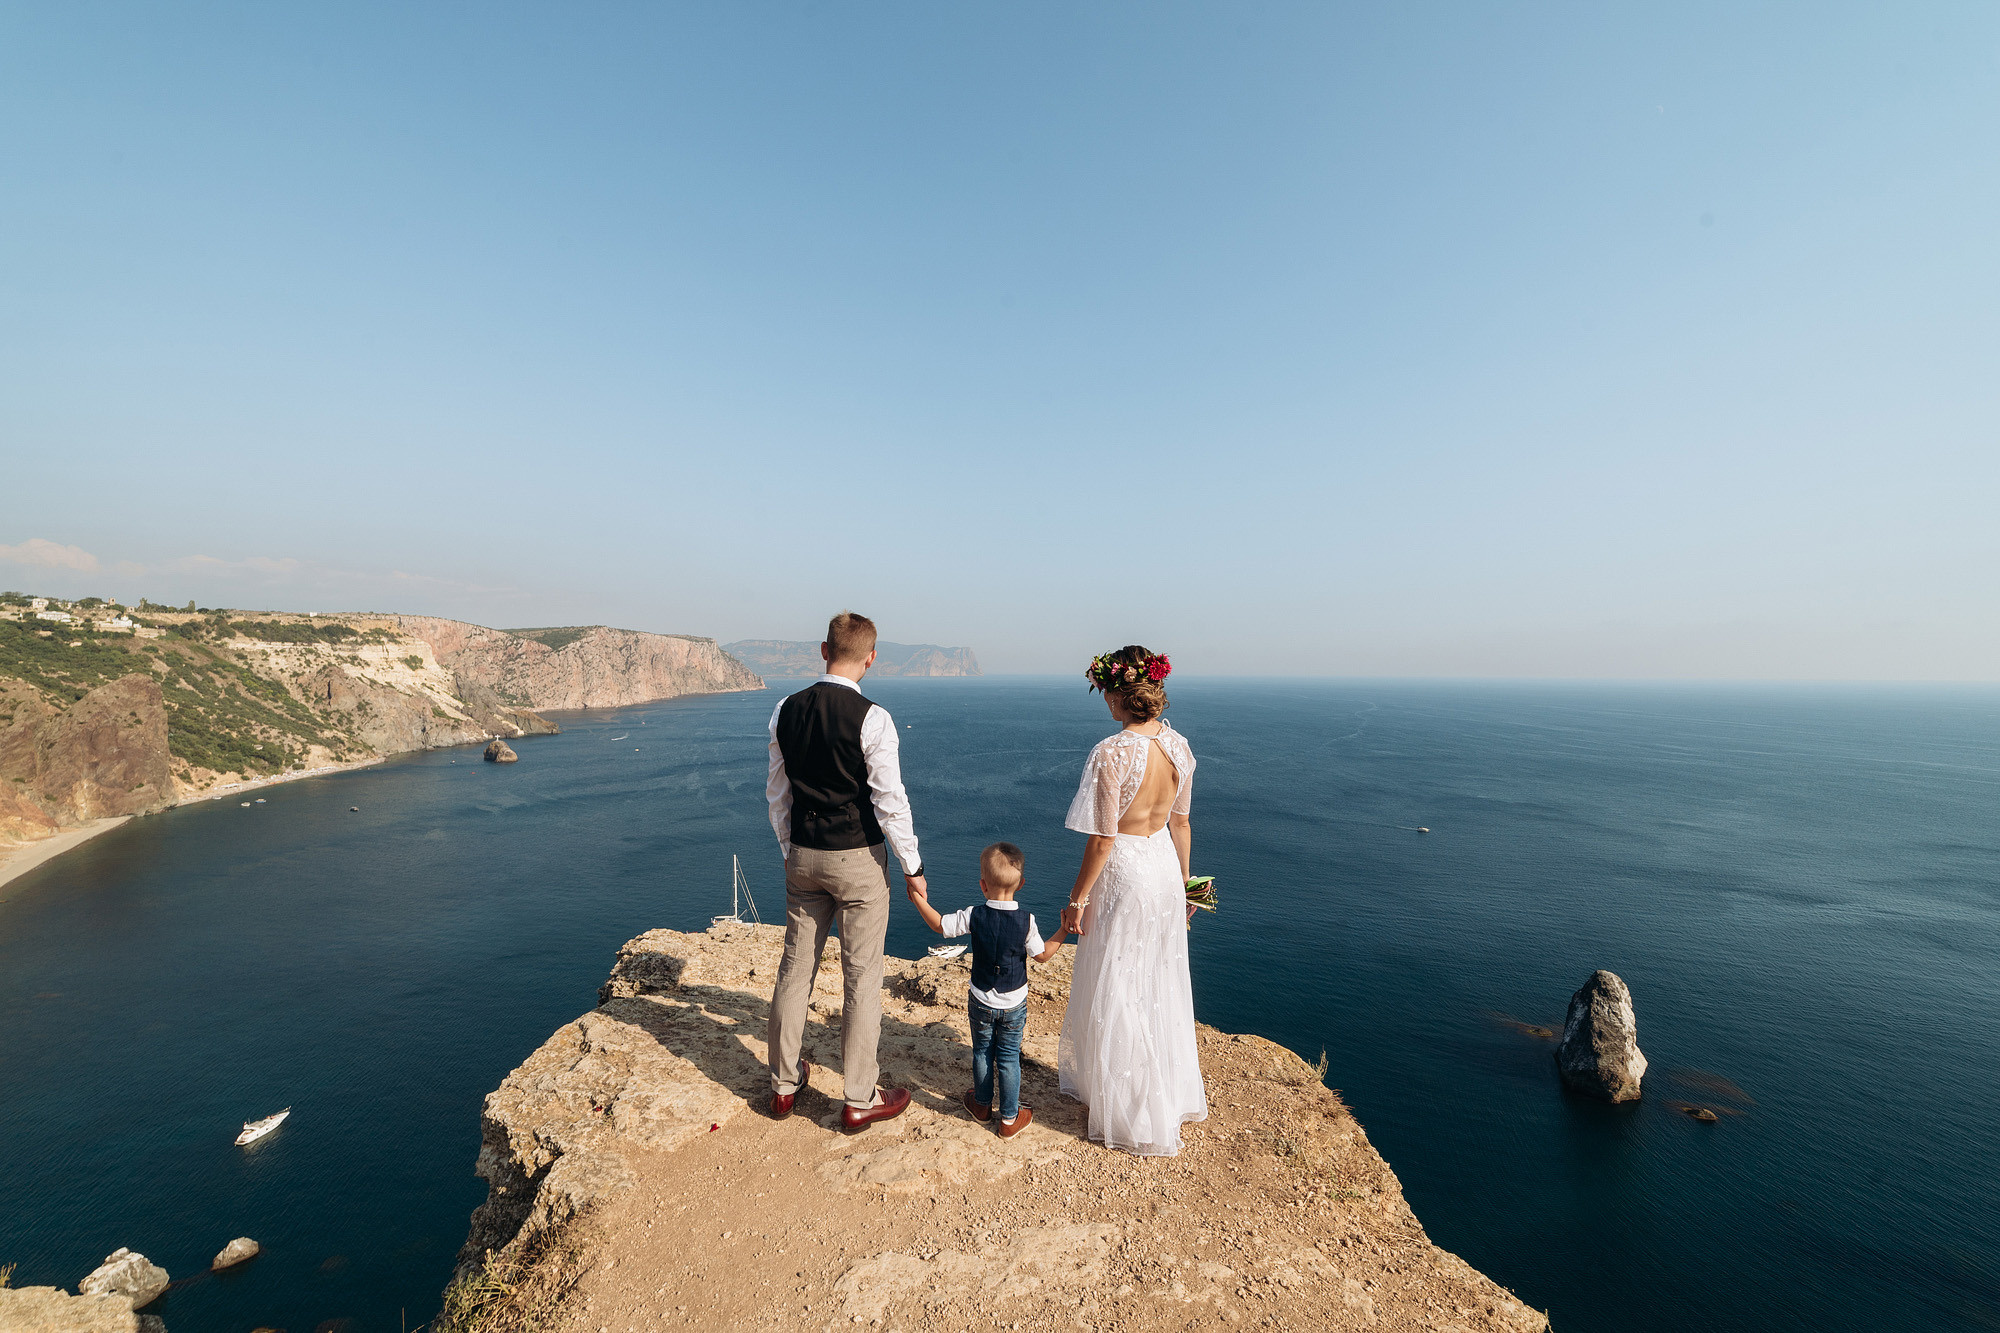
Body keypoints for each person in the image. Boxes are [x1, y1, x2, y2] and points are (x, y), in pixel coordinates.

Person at [764, 610, 928, 1131]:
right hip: (858, 859)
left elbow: (777, 793)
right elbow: (889, 801)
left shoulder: (784, 709)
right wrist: (912, 864)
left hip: (803, 857)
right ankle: (860, 1096)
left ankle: (784, 1085)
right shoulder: (874, 718)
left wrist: (790, 847)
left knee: (796, 967)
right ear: (871, 658)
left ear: (823, 649)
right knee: (862, 976)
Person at [1056, 645, 1208, 1156]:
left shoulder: (1111, 752)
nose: (1104, 703)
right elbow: (1182, 823)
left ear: (1119, 694)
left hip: (1123, 873)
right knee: (1158, 979)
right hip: (1164, 868)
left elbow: (1102, 839)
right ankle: (1160, 1099)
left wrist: (1076, 900)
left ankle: (1126, 1109)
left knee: (1119, 980)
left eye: (1104, 693)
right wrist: (1187, 887)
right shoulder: (1181, 748)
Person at [906, 842, 1068, 1138]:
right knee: (1007, 1058)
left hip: (980, 998)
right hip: (1013, 1003)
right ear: (1021, 884)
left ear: (983, 885)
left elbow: (939, 925)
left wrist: (917, 900)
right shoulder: (1027, 921)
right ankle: (1009, 1118)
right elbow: (1042, 955)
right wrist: (1064, 930)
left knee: (981, 1052)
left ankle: (981, 1106)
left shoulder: (974, 915)